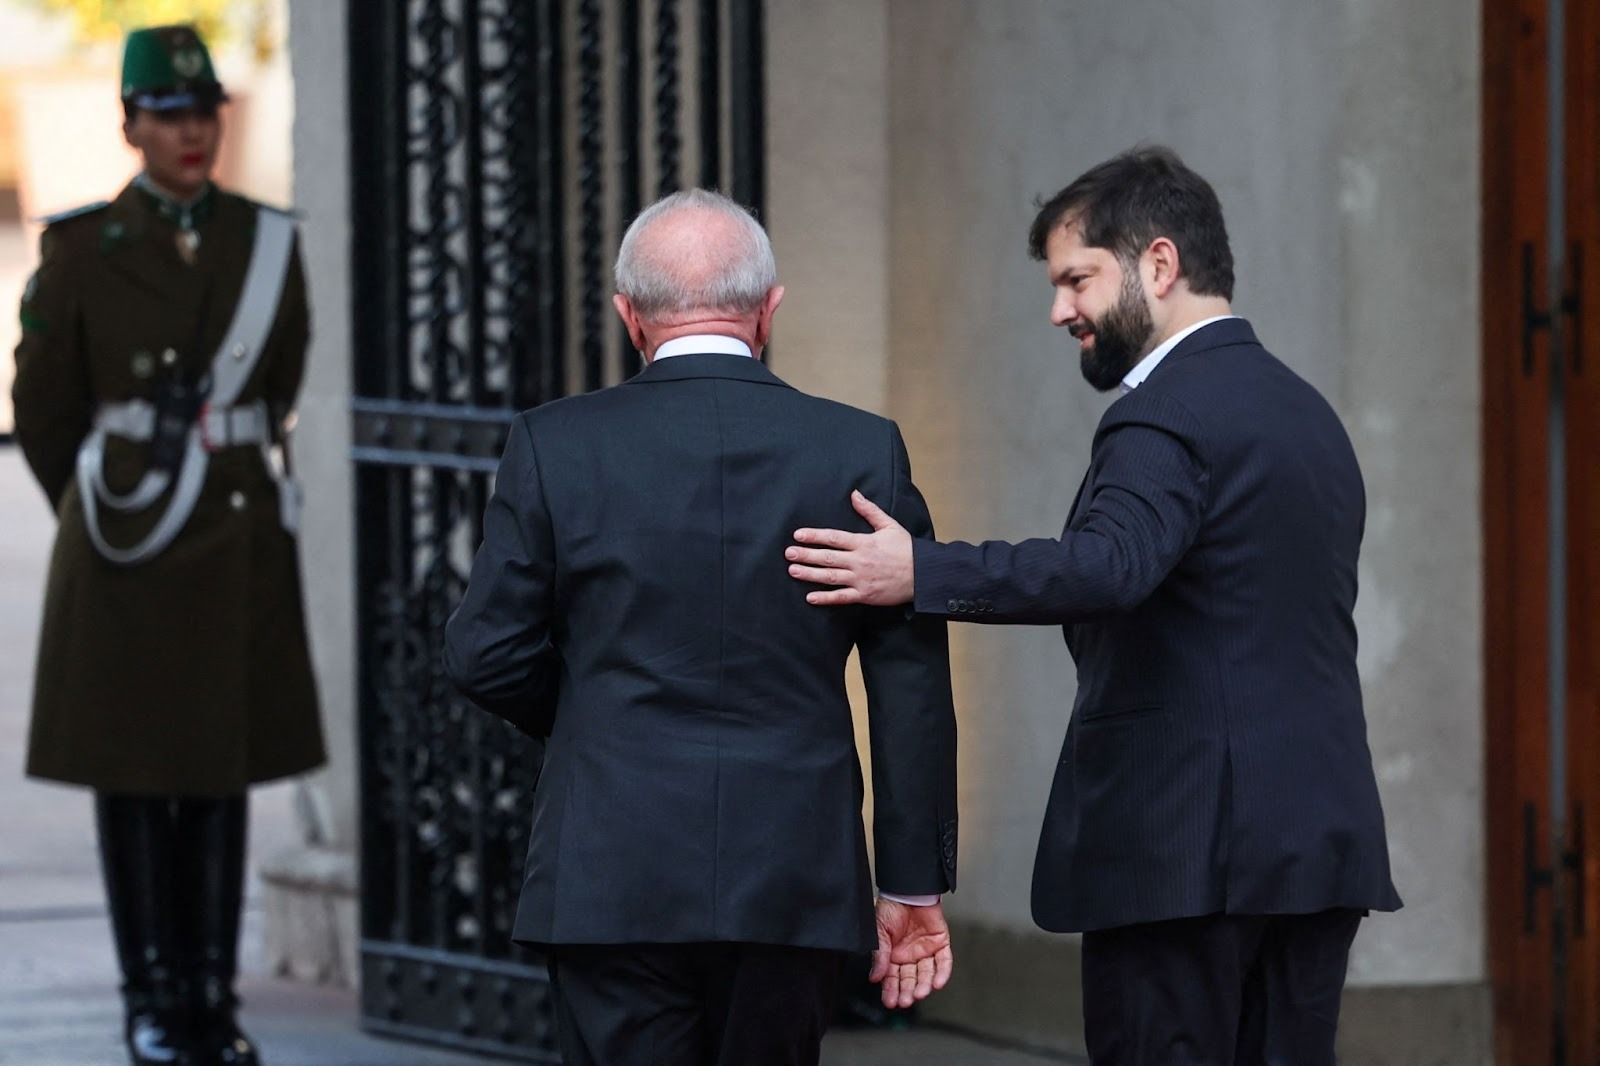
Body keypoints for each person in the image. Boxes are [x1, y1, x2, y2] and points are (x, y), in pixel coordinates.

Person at [785, 147, 1402, 1064]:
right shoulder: (1307, 414)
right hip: (1317, 843)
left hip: (1186, 855)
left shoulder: (1164, 414)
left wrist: (922, 568)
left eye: (1078, 278)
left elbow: (1109, 565)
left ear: (1159, 264)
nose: (1059, 309)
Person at [443, 188, 958, 1066]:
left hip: (612, 864)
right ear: (769, 309)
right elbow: (908, 684)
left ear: (627, 316)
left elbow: (484, 652)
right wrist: (909, 882)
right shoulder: (858, 449)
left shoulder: (555, 444)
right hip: (791, 869)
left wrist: (593, 716)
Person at [11, 24, 324, 1066]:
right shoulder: (79, 249)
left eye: (205, 115)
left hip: (232, 548)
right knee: (137, 783)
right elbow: (45, 414)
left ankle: (209, 994)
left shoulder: (265, 239)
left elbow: (277, 384)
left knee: (223, 780)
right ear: (131, 124)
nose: (192, 133)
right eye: (170, 115)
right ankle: (150, 993)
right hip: (122, 552)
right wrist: (107, 515)